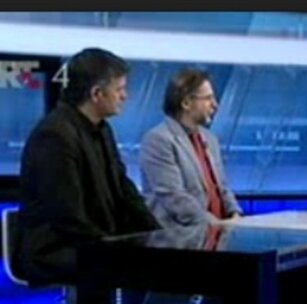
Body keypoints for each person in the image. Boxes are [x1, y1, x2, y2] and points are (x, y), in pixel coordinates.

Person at [16, 48, 159, 286]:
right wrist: (108, 247)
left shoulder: (101, 129)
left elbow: (123, 188)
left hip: (95, 242)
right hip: (56, 250)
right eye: (119, 89)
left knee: (161, 261)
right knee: (136, 267)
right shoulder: (55, 135)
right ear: (96, 94)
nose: (125, 96)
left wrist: (154, 233)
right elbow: (67, 216)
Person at [139, 68, 242, 237]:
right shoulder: (158, 140)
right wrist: (216, 224)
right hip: (179, 242)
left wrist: (235, 214)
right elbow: (175, 198)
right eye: (208, 98)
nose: (215, 105)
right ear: (186, 103)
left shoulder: (210, 139)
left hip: (217, 238)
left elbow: (222, 187)